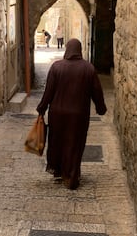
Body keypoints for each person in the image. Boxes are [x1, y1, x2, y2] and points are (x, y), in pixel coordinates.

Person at [36, 38, 107, 190]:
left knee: (59, 142)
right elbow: (97, 92)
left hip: (58, 114)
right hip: (78, 115)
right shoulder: (89, 69)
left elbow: (49, 92)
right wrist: (101, 108)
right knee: (75, 144)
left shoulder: (56, 67)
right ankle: (72, 176)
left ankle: (60, 170)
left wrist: (42, 108)